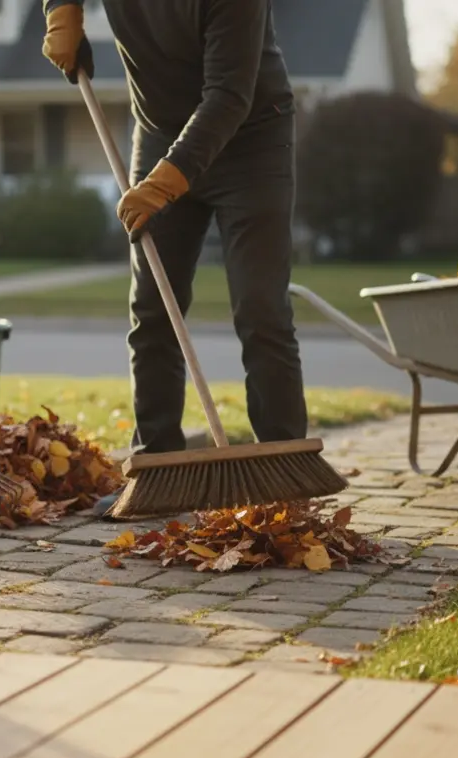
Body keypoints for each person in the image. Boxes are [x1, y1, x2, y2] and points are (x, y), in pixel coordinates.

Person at [42, 0, 309, 518]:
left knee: (261, 310)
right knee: (153, 309)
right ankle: (157, 473)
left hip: (253, 139)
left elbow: (229, 96)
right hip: (161, 130)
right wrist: (61, 10)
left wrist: (163, 184)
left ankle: (285, 483)